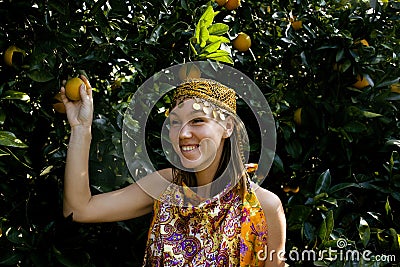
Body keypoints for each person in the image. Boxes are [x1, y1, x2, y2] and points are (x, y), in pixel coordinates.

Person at [61, 74, 286, 266]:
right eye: (176, 122)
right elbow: (78, 210)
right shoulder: (166, 186)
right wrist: (81, 129)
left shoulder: (264, 207)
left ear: (227, 126)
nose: (183, 133)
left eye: (197, 121)